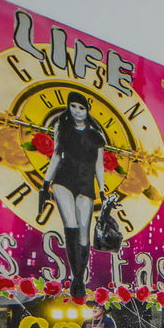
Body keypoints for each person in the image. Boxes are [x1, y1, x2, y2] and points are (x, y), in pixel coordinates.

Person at [42, 91, 109, 293]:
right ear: (68, 107)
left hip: (85, 183)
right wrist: (46, 183)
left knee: (83, 234)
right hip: (63, 178)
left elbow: (99, 166)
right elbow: (56, 155)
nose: (77, 111)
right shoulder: (62, 127)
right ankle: (76, 278)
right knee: (70, 225)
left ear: (87, 110)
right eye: (73, 106)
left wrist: (102, 190)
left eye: (81, 108)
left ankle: (79, 276)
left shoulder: (96, 136)